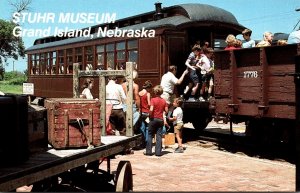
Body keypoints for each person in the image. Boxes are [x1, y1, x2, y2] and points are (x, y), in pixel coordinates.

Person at [145, 85, 168, 156]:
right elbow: (166, 111)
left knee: (150, 135)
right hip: (160, 119)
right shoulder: (164, 101)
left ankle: (149, 152)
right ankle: (158, 152)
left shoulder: (153, 100)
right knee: (159, 136)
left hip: (153, 119)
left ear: (155, 92)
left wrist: (149, 114)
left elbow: (151, 109)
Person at [138, 80, 153, 144]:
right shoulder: (148, 94)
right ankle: (147, 141)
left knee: (142, 127)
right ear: (148, 88)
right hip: (146, 113)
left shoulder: (139, 93)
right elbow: (149, 104)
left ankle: (142, 141)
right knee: (147, 127)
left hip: (141, 113)